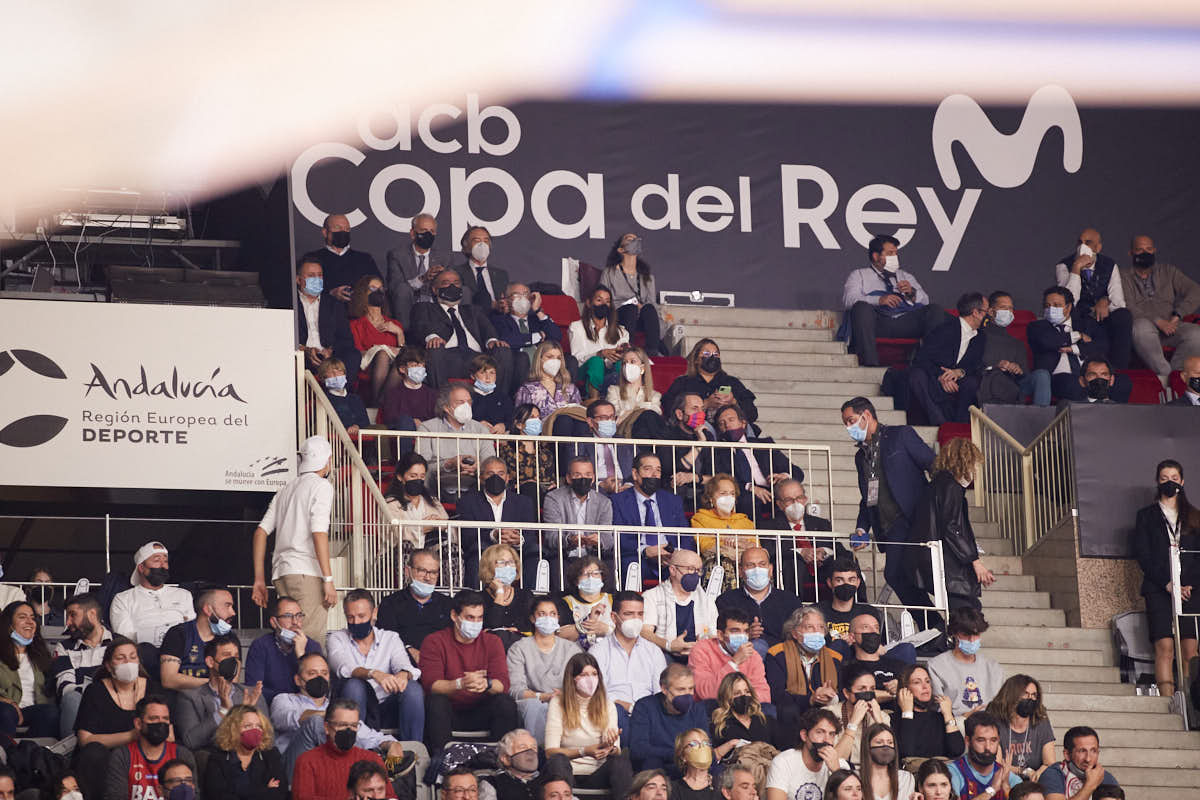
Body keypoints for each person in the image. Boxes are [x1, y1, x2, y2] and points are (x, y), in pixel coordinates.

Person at [841, 397, 935, 621]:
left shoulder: (900, 435)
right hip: (889, 526)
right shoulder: (860, 456)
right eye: (845, 423)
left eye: (851, 420)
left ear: (867, 416)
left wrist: (939, 507)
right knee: (896, 575)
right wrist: (862, 528)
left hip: (913, 518)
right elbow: (868, 498)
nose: (848, 427)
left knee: (910, 575)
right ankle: (934, 626)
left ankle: (941, 624)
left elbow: (933, 464)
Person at [251, 435, 337, 642]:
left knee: (289, 638)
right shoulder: (322, 486)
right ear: (328, 461)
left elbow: (260, 532)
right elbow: (319, 532)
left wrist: (259, 579)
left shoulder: (286, 490)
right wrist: (328, 579)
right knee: (310, 641)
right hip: (307, 572)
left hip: (282, 573)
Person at [269, 653, 407, 779]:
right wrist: (334, 718)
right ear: (298, 680)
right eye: (312, 673)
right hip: (293, 768)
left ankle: (371, 767)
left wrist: (392, 744)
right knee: (318, 722)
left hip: (329, 770)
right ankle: (368, 767)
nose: (319, 677)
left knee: (348, 727)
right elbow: (287, 719)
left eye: (324, 673)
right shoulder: (284, 700)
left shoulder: (338, 709)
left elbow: (370, 736)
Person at [1129, 458, 1200, 697]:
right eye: (1164, 479)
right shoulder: (1146, 516)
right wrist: (1168, 584)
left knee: (1190, 648)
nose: (1170, 483)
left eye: (1174, 478)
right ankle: (1168, 702)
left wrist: (1189, 584)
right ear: (1157, 482)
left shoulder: (1195, 517)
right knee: (1165, 647)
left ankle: (1192, 702)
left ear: (1182, 481)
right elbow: (1144, 555)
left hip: (1190, 589)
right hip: (1158, 588)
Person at [419, 590, 519, 753]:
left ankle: (501, 761)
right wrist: (460, 684)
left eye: (479, 618)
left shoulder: (492, 642)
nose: (475, 623)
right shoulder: (434, 641)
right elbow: (432, 684)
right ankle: (442, 759)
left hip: (482, 709)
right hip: (449, 710)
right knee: (436, 702)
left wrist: (487, 684)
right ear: (454, 616)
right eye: (470, 617)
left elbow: (502, 684)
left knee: (505, 703)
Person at [909, 437, 995, 614]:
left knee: (967, 612)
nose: (975, 471)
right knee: (968, 615)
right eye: (973, 464)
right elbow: (952, 528)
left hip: (935, 561)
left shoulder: (937, 485)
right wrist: (974, 561)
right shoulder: (951, 487)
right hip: (949, 566)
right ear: (965, 462)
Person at [327, 588, 424, 741]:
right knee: (354, 685)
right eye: (350, 617)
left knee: (412, 689)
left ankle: (412, 751)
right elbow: (344, 668)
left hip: (386, 703)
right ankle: (354, 750)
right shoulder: (337, 638)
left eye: (361, 616)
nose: (356, 622)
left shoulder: (390, 638)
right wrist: (374, 674)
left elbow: (405, 665)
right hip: (353, 701)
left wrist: (403, 675)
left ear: (374, 613)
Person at [842, 234, 945, 367]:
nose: (895, 257)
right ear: (876, 256)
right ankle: (870, 365)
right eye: (890, 253)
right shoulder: (859, 275)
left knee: (934, 310)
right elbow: (849, 300)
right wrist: (879, 300)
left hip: (904, 321)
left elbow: (925, 300)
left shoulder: (905, 276)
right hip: (878, 323)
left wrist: (912, 293)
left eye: (896, 253)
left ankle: (927, 365)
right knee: (861, 308)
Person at [544, 653, 633, 799]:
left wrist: (609, 746)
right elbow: (550, 752)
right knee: (557, 760)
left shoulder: (608, 705)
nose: (590, 679)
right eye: (584, 674)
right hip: (567, 773)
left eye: (594, 674)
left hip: (598, 773)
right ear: (572, 678)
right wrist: (583, 751)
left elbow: (615, 750)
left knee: (621, 761)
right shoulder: (558, 703)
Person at [72, 638, 153, 799]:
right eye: (120, 658)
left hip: (143, 755)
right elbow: (85, 740)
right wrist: (131, 736)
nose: (128, 662)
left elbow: (168, 731)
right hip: (104, 759)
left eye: (132, 657)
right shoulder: (95, 691)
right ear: (109, 666)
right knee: (93, 753)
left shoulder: (152, 688)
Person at [410, 267, 513, 390]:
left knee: (502, 350)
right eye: (446, 283)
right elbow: (421, 325)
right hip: (447, 355)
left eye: (456, 283)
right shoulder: (425, 308)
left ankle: (498, 401)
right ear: (435, 289)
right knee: (435, 349)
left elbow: (487, 329)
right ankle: (441, 399)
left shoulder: (473, 310)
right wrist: (432, 337)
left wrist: (492, 340)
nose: (452, 286)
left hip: (477, 358)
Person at [1054, 227, 1133, 368]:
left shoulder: (1109, 265)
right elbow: (1067, 301)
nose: (1082, 246)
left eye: (1088, 243)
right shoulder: (1064, 265)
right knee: (1080, 318)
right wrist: (1077, 267)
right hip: (1079, 317)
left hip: (1102, 316)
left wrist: (1105, 300)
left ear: (1098, 247)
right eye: (1080, 242)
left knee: (1123, 315)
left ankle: (1119, 370)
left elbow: (1119, 301)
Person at [613, 453, 697, 585]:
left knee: (689, 568)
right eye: (648, 469)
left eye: (658, 470)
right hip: (638, 558)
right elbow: (619, 538)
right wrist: (646, 551)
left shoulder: (672, 500)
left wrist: (676, 554)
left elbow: (685, 536)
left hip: (671, 558)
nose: (654, 474)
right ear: (635, 474)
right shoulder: (618, 501)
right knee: (629, 566)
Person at [507, 598, 583, 742]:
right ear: (532, 618)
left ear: (558, 618)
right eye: (542, 614)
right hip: (533, 702)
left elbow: (580, 684)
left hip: (565, 700)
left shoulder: (571, 649)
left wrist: (564, 696)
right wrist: (543, 696)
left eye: (552, 614)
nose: (548, 618)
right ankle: (538, 754)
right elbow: (515, 690)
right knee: (533, 706)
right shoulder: (519, 649)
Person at [175, 634, 268, 751]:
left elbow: (268, 740)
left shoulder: (252, 695)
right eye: (226, 655)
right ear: (210, 662)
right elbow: (191, 741)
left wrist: (245, 713)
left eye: (236, 657)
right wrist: (222, 712)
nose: (233, 661)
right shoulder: (190, 697)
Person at [591, 591, 668, 733]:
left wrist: (642, 710)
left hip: (648, 715)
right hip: (613, 715)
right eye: (629, 614)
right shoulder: (598, 651)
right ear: (614, 617)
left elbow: (661, 693)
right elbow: (596, 694)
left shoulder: (653, 651)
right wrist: (627, 706)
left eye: (640, 614)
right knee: (616, 713)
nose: (636, 619)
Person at [907, 292, 988, 425]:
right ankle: (941, 423)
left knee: (973, 383)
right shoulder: (944, 329)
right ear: (976, 312)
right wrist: (942, 376)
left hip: (959, 380)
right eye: (986, 311)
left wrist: (959, 372)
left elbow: (976, 365)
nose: (988, 316)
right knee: (917, 376)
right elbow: (921, 359)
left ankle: (959, 427)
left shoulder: (981, 337)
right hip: (934, 376)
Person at [456, 456, 538, 588]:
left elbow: (531, 536)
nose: (496, 478)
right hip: (485, 551)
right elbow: (467, 537)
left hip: (515, 552)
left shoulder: (524, 502)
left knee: (534, 551)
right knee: (477, 550)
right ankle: (476, 600)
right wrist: (494, 535)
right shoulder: (467, 502)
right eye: (490, 473)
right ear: (481, 478)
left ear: (507, 478)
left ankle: (529, 599)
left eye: (501, 474)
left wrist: (518, 539)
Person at [711, 405, 803, 518]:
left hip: (773, 490)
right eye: (722, 423)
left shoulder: (764, 444)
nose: (727, 425)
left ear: (743, 423)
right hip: (744, 492)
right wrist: (751, 487)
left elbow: (797, 472)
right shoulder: (718, 451)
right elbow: (722, 478)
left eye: (731, 420)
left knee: (790, 497)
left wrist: (784, 476)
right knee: (748, 501)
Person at [103, 694, 197, 800]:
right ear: (138, 723)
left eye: (165, 719)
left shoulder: (182, 755)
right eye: (154, 719)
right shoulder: (123, 756)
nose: (160, 723)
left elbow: (193, 796)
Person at [292, 699, 390, 800]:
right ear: (326, 727)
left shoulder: (372, 760)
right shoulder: (307, 761)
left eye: (353, 725)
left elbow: (391, 797)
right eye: (342, 725)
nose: (348, 730)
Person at [756, 479, 840, 597]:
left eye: (799, 498)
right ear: (779, 504)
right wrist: (800, 552)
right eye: (789, 500)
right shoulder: (768, 526)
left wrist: (824, 551)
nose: (796, 503)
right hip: (792, 572)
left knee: (846, 560)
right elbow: (770, 552)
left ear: (805, 500)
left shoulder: (821, 524)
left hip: (822, 570)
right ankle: (794, 608)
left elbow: (837, 547)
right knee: (793, 562)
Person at [716, 547, 802, 660]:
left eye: (762, 564)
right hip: (743, 657)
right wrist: (746, 635)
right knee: (757, 646)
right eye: (750, 565)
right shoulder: (726, 600)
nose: (757, 569)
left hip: (784, 658)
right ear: (741, 571)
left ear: (770, 570)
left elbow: (799, 634)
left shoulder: (790, 600)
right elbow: (720, 637)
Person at [416, 384, 497, 503]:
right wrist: (449, 464)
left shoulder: (481, 429)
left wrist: (477, 467)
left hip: (474, 485)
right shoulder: (427, 428)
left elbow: (490, 462)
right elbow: (421, 465)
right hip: (438, 484)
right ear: (446, 407)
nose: (466, 406)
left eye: (469, 402)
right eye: (460, 402)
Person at [764, 607, 842, 728]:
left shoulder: (835, 658)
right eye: (810, 627)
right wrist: (810, 699)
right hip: (792, 716)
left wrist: (830, 696)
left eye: (821, 627)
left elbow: (842, 691)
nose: (817, 632)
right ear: (795, 633)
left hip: (825, 714)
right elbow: (776, 694)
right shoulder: (777, 654)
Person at [110, 541, 195, 649]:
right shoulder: (123, 599)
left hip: (181, 650)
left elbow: (191, 629)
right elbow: (125, 636)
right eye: (157, 560)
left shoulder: (183, 594)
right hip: (143, 652)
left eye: (165, 561)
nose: (163, 565)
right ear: (141, 568)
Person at [628, 664, 711, 775]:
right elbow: (638, 750)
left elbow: (706, 745)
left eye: (691, 689)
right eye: (680, 689)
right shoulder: (645, 707)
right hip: (657, 771)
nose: (687, 695)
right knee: (651, 763)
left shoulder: (697, 709)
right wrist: (679, 754)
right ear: (664, 689)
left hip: (689, 769)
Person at [543, 457, 615, 581]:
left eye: (588, 474)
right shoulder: (553, 498)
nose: (583, 479)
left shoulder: (604, 502)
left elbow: (608, 539)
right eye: (577, 475)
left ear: (593, 478)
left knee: (610, 561)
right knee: (556, 564)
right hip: (564, 555)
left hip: (593, 555)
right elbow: (551, 537)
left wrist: (598, 541)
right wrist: (570, 540)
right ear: (569, 478)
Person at [384, 454, 455, 578]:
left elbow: (451, 529)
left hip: (430, 553)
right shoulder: (390, 504)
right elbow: (396, 535)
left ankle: (451, 594)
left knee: (452, 549)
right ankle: (408, 591)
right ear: (400, 477)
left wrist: (440, 525)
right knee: (405, 546)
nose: (418, 480)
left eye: (422, 476)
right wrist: (421, 528)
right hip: (394, 556)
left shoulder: (433, 502)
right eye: (413, 476)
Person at [52, 592, 112, 737]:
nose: (68, 623)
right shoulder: (64, 647)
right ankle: (68, 754)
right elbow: (65, 688)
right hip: (82, 706)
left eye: (73, 615)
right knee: (72, 698)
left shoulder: (118, 644)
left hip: (114, 705)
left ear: (92, 614)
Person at [377, 549, 453, 663]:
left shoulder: (448, 604)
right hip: (403, 666)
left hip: (440, 666)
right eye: (422, 571)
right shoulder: (390, 603)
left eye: (433, 572)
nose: (427, 578)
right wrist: (408, 650)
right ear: (408, 571)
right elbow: (386, 638)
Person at [642, 549, 720, 661]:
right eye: (691, 569)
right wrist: (669, 645)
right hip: (664, 654)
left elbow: (713, 632)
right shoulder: (652, 596)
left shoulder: (705, 600)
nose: (695, 575)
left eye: (698, 570)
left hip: (699, 655)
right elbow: (645, 632)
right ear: (673, 570)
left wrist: (704, 642)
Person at [245, 596, 323, 706]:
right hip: (270, 706)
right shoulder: (260, 646)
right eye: (288, 616)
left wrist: (301, 655)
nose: (295, 622)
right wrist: (285, 700)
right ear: (274, 622)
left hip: (305, 706)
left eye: (299, 616)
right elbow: (254, 688)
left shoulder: (312, 646)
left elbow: (317, 691)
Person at [928, 607, 1005, 717]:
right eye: (966, 634)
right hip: (953, 725)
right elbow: (938, 709)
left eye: (976, 634)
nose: (972, 640)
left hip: (989, 725)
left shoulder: (993, 668)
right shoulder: (936, 666)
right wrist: (964, 718)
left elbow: (1003, 706)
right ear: (954, 633)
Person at [159, 585, 237, 691]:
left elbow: (233, 680)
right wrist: (212, 684)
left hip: (216, 700)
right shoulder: (178, 634)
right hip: (181, 699)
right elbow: (168, 680)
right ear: (208, 609)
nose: (233, 612)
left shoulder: (231, 638)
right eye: (227, 606)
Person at [979, 291, 1050, 407]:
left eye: (1010, 308)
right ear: (991, 311)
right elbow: (974, 367)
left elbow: (1024, 375)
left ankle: (1040, 418)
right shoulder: (979, 337)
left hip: (1014, 385)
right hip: (989, 383)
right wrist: (997, 366)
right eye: (1003, 308)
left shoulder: (1017, 343)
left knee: (1042, 375)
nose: (1008, 312)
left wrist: (1018, 370)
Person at [202, 703, 288, 800]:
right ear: (232, 730)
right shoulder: (218, 758)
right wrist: (264, 790)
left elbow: (280, 794)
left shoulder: (271, 755)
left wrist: (242, 794)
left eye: (259, 726)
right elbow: (217, 796)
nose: (255, 730)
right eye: (247, 726)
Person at [663, 339, 759, 424]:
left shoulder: (732, 382)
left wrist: (733, 402)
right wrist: (705, 404)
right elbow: (669, 410)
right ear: (696, 359)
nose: (712, 357)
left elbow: (752, 414)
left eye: (716, 354)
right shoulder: (683, 382)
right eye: (706, 354)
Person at [691, 474, 758, 592]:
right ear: (711, 498)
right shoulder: (700, 518)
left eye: (732, 494)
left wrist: (735, 545)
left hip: (745, 561)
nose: (729, 497)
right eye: (723, 493)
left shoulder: (745, 521)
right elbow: (706, 547)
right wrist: (737, 547)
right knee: (724, 563)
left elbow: (756, 547)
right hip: (718, 563)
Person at [296, 255, 361, 376]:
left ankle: (340, 393)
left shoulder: (334, 304)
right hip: (302, 356)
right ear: (298, 280)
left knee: (353, 355)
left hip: (328, 357)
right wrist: (305, 350)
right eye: (311, 276)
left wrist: (330, 350)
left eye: (319, 275)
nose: (316, 279)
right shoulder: (291, 304)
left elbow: (346, 340)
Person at [687, 608, 770, 702]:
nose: (742, 636)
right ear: (720, 635)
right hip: (713, 706)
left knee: (768, 710)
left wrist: (742, 700)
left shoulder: (753, 655)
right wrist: (734, 662)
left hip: (744, 706)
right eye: (735, 631)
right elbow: (706, 693)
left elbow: (764, 695)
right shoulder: (701, 650)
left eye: (746, 631)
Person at [764, 708, 849, 800]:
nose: (826, 740)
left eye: (831, 734)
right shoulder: (783, 762)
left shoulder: (841, 766)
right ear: (804, 735)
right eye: (819, 732)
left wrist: (836, 773)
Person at [0, 601, 56, 737]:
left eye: (32, 617)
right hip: (6, 710)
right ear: (9, 624)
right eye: (22, 617)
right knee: (5, 711)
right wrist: (5, 701)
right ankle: (7, 752)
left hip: (33, 710)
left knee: (51, 712)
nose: (30, 622)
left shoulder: (41, 655)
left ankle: (33, 752)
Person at [349, 274, 406, 405]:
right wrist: (380, 349)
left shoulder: (394, 324)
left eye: (381, 289)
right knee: (382, 354)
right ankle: (378, 403)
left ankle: (379, 403)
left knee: (401, 363)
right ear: (363, 293)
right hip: (368, 367)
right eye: (373, 288)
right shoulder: (355, 325)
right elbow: (357, 353)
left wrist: (399, 332)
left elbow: (403, 353)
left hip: (394, 368)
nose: (378, 292)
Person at [385, 212, 450, 329]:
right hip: (410, 307)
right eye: (424, 231)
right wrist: (422, 279)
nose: (428, 234)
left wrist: (442, 278)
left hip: (435, 306)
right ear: (412, 233)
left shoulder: (445, 257)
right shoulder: (397, 255)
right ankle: (406, 337)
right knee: (402, 289)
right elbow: (394, 288)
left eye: (432, 231)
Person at [986, 675, 1056, 781]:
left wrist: (1037, 775)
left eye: (1034, 695)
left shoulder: (1041, 721)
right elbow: (997, 765)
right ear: (1011, 695)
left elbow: (1050, 763)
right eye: (1025, 694)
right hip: (1004, 778)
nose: (1030, 698)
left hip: (1034, 781)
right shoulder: (996, 722)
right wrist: (1024, 771)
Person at [603, 233, 663, 356]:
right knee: (630, 309)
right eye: (629, 239)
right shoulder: (609, 273)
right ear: (621, 249)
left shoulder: (647, 277)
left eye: (635, 239)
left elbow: (651, 302)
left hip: (641, 316)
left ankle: (652, 352)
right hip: (619, 315)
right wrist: (630, 304)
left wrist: (642, 306)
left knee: (650, 309)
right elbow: (603, 298)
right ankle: (627, 350)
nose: (635, 241)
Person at [491, 283, 565, 378]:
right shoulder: (499, 320)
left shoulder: (538, 318)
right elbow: (508, 340)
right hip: (517, 368)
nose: (522, 298)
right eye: (516, 294)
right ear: (507, 299)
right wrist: (538, 336)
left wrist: (537, 310)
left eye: (525, 294)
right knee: (522, 358)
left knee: (570, 360)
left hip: (543, 366)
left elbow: (557, 336)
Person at [570, 284, 631, 397]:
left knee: (621, 363)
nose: (604, 304)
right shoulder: (576, 327)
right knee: (596, 361)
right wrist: (600, 353)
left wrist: (623, 352)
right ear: (589, 303)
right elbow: (577, 359)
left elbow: (624, 350)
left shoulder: (621, 331)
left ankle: (619, 400)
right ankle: (594, 402)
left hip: (610, 373)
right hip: (584, 372)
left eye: (607, 301)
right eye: (599, 300)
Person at [893, 664, 962, 760]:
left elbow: (957, 750)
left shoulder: (941, 717)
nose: (925, 686)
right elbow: (907, 753)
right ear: (905, 690)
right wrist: (907, 712)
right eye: (917, 682)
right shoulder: (896, 719)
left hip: (941, 771)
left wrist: (948, 714)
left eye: (927, 681)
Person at [826, 664, 888, 769]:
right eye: (862, 689)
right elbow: (834, 762)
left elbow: (886, 757)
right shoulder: (829, 714)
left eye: (872, 689)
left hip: (871, 773)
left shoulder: (882, 716)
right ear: (846, 693)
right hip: (840, 774)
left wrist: (879, 722)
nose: (868, 693)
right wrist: (853, 724)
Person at [310, 213, 381, 303]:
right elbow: (305, 291)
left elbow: (379, 287)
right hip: (325, 312)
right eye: (338, 228)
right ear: (325, 232)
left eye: (347, 229)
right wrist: (330, 293)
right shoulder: (312, 259)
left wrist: (359, 294)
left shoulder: (365, 259)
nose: (343, 231)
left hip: (358, 312)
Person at [947, 712, 1020, 799]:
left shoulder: (1008, 777)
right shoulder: (952, 772)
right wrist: (992, 790)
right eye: (981, 740)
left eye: (993, 740)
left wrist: (1007, 788)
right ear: (967, 741)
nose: (988, 747)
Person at [840, 614, 908, 706]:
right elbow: (856, 696)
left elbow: (916, 691)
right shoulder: (849, 668)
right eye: (866, 627)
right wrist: (898, 693)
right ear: (852, 637)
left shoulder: (899, 665)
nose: (873, 631)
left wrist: (901, 687)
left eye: (876, 628)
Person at [710, 672, 778, 763]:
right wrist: (731, 744)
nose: (743, 696)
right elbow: (712, 759)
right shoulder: (720, 725)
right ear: (727, 697)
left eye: (747, 691)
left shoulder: (765, 720)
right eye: (737, 693)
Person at [480, 543, 535, 649]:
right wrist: (499, 593)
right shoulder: (480, 598)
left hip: (521, 649)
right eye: (502, 563)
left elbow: (530, 629)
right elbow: (493, 626)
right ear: (489, 567)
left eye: (511, 562)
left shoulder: (525, 595)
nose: (508, 566)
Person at [499, 404, 558, 503]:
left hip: (543, 492)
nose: (537, 421)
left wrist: (552, 484)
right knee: (530, 488)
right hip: (518, 493)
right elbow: (504, 477)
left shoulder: (545, 452)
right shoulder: (508, 449)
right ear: (519, 424)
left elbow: (551, 477)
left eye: (538, 417)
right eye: (532, 417)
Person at [1040, 727, 1118, 800]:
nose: (1088, 759)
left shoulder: (1106, 778)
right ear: (1067, 755)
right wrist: (1090, 785)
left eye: (1093, 751)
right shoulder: (1053, 774)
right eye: (1082, 751)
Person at [554, 556, 616, 647]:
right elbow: (558, 635)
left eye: (595, 573)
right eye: (585, 574)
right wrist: (586, 624)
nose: (591, 577)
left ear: (602, 577)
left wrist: (607, 630)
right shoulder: (565, 602)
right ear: (576, 580)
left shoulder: (614, 599)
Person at [815, 560, 880, 646]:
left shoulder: (869, 613)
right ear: (829, 583)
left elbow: (878, 646)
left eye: (851, 580)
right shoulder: (816, 612)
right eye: (839, 580)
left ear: (858, 583)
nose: (846, 584)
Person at [517, 341, 583, 419]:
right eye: (550, 357)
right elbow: (521, 419)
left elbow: (579, 415)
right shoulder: (527, 389)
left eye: (558, 358)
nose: (555, 361)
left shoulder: (570, 388)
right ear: (539, 359)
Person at [454, 225, 509, 312]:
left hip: (497, 319)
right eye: (476, 240)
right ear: (466, 246)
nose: (482, 244)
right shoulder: (456, 273)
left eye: (486, 241)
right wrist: (489, 304)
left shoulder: (501, 274)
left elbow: (506, 300)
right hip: (472, 318)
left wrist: (505, 304)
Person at [380, 346, 438, 427]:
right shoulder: (392, 394)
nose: (420, 369)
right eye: (415, 366)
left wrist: (422, 425)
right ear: (402, 369)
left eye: (422, 365)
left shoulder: (432, 395)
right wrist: (411, 422)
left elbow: (437, 421)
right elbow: (389, 419)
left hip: (426, 436)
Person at [318, 357, 373, 439]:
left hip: (360, 432)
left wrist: (357, 426)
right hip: (339, 436)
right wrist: (347, 428)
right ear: (323, 378)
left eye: (340, 372)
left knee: (382, 429)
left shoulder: (355, 398)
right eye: (332, 373)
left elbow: (365, 420)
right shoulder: (324, 399)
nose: (337, 376)